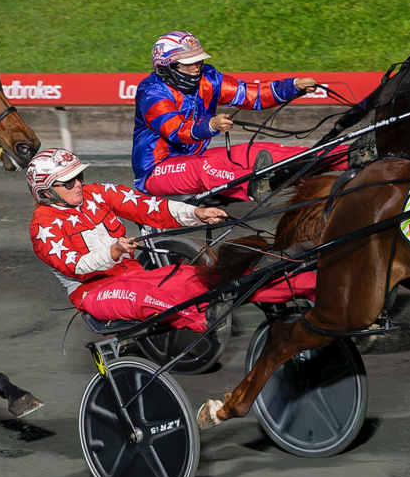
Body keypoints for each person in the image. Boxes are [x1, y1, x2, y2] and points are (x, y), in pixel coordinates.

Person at [28, 149, 315, 334]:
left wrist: (196, 214)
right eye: (68, 182)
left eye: (79, 176)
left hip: (137, 276)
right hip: (95, 292)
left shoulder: (98, 192)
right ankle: (204, 320)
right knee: (146, 296)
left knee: (210, 277)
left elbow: (150, 207)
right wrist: (113, 251)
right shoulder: (42, 228)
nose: (79, 184)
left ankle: (311, 285)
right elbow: (75, 266)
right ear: (46, 192)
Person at [132, 30, 346, 202]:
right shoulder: (152, 92)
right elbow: (177, 131)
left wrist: (292, 86)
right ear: (167, 67)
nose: (197, 68)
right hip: (156, 170)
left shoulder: (209, 78)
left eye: (198, 61)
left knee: (257, 151)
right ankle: (256, 184)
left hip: (195, 158)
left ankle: (347, 155)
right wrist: (210, 124)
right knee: (205, 169)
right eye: (189, 64)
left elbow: (250, 94)